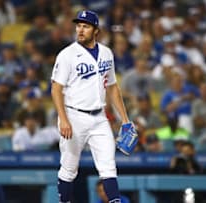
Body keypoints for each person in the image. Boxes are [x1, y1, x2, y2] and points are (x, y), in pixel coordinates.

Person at [51, 10, 135, 203]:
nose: (80, 30)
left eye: (85, 26)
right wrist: (63, 119)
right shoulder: (67, 55)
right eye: (78, 25)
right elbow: (56, 89)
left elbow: (112, 87)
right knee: (69, 168)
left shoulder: (106, 53)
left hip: (99, 117)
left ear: (96, 30)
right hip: (73, 116)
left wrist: (125, 119)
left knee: (109, 167)